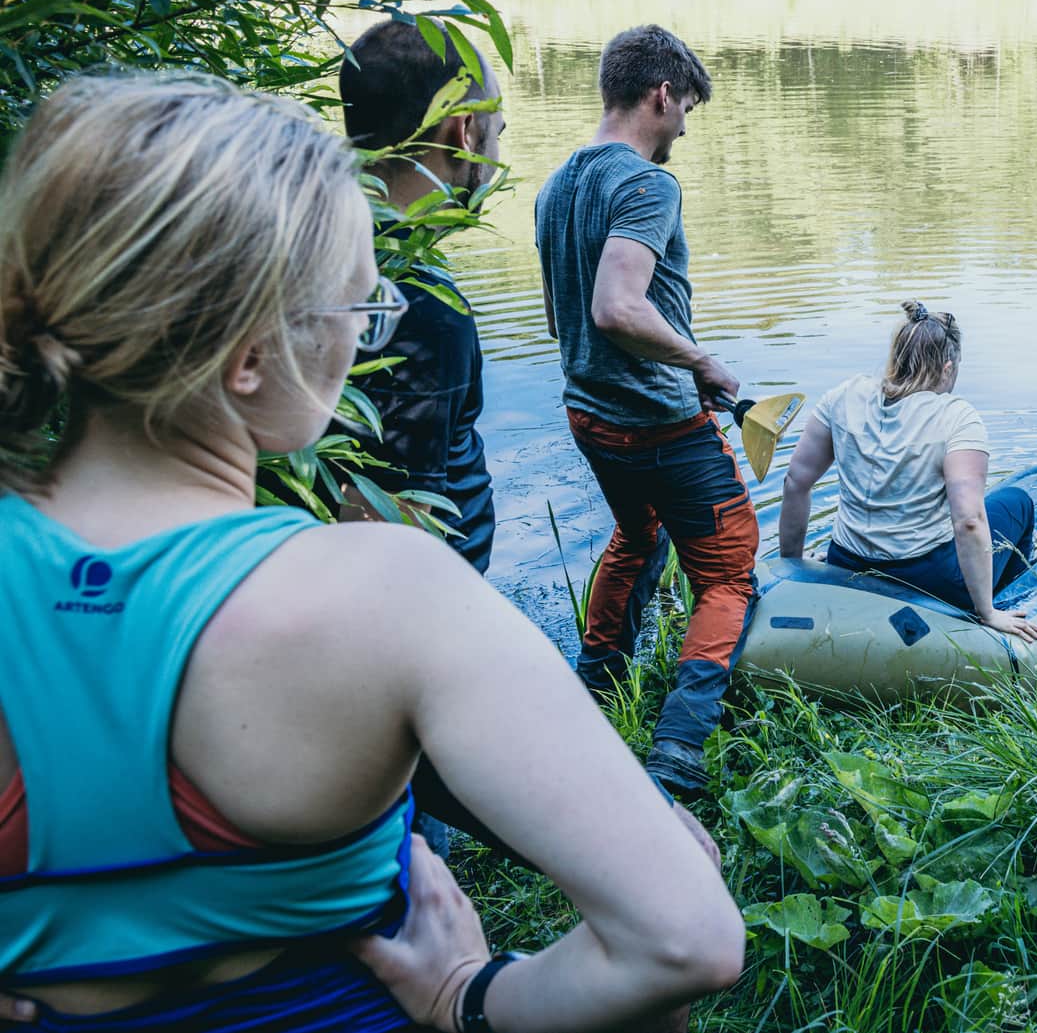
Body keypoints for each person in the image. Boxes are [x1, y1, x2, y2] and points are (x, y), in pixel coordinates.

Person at [0, 72, 741, 1031]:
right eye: (356, 311)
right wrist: (463, 994)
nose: (363, 340)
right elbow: (685, 937)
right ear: (251, 354)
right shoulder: (388, 594)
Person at [534, 24, 755, 797]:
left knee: (637, 533)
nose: (685, 128)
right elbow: (616, 307)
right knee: (729, 577)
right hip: (662, 426)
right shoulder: (647, 183)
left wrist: (671, 360)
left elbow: (566, 323)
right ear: (662, 94)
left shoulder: (555, 188)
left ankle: (592, 697)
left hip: (590, 415)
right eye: (687, 107)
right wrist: (700, 361)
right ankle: (679, 749)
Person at [778, 302, 1037, 644]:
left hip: (845, 561)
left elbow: (795, 481)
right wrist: (986, 612)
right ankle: (1004, 608)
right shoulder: (956, 416)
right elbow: (968, 520)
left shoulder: (843, 395)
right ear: (947, 368)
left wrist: (792, 563)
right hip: (927, 578)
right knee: (1017, 502)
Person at [338, 17, 502, 573]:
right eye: (496, 130)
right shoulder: (421, 306)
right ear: (464, 132)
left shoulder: (325, 247)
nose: (496, 153)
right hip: (425, 616)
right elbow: (390, 518)